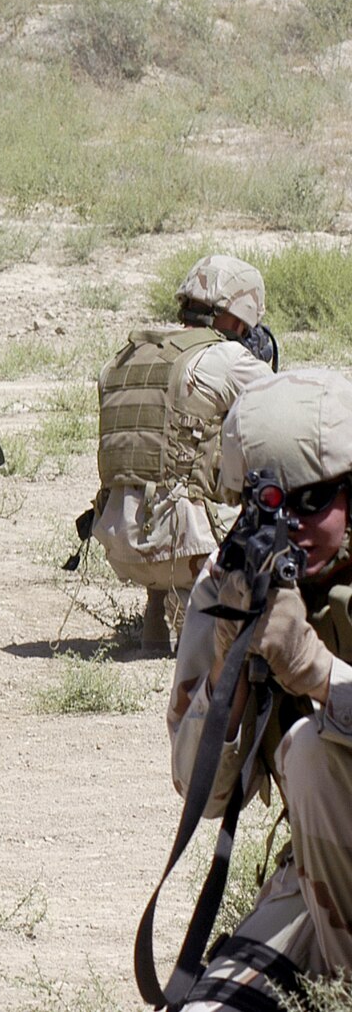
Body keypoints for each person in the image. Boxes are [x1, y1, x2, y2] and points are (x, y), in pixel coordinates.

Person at [165, 369, 352, 1009]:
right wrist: (228, 672)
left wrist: (320, 675)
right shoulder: (232, 585)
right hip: (329, 873)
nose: (290, 530)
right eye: (265, 505)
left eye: (312, 503)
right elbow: (203, 794)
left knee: (309, 748)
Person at [90, 255, 275, 655]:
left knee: (162, 465)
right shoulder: (227, 360)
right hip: (185, 552)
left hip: (117, 544)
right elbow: (284, 417)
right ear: (240, 320)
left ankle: (154, 619)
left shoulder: (122, 359)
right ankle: (199, 617)